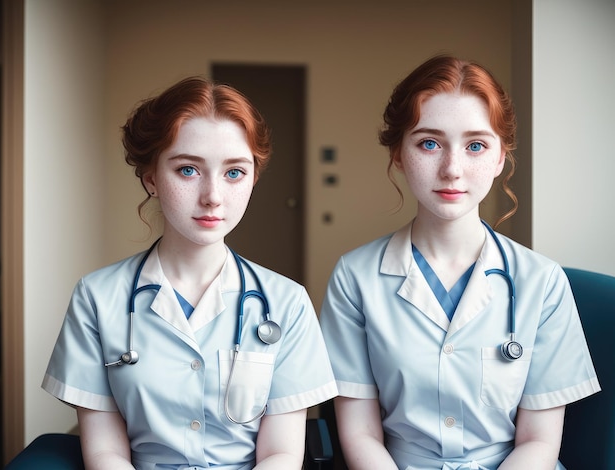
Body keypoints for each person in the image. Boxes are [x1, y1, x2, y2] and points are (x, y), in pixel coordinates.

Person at [319, 55, 600, 470]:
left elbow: (540, 443)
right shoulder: (355, 278)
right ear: (398, 154)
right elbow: (360, 434)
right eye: (429, 143)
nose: (452, 169)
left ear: (500, 157)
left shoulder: (542, 282)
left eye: (475, 146)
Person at [42, 76, 337, 470]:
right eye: (187, 170)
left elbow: (281, 454)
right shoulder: (97, 298)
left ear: (253, 180)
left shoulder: (287, 302)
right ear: (151, 178)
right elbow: (105, 453)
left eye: (234, 172)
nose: (213, 195)